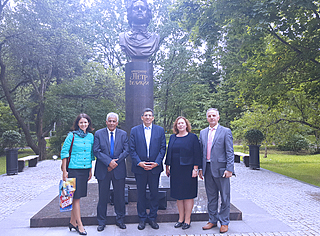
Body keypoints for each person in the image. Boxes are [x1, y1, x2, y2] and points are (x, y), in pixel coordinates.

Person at [129, 108, 166, 230]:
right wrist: (139, 163)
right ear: (142, 117)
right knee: (141, 194)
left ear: (153, 118)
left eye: (150, 115)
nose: (148, 117)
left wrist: (157, 162)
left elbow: (162, 148)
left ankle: (152, 218)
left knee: (154, 194)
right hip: (140, 168)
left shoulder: (160, 130)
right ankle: (142, 219)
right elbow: (132, 149)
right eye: (146, 115)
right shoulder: (135, 131)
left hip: (155, 168)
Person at [199, 108, 234, 233]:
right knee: (211, 197)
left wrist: (229, 169)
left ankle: (224, 222)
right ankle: (212, 220)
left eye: (214, 115)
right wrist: (201, 168)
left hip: (222, 170)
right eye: (209, 116)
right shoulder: (203, 133)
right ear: (207, 118)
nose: (212, 117)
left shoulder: (225, 131)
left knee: (225, 197)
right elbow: (201, 152)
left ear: (218, 117)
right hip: (207, 169)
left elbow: (230, 151)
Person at [93, 112, 129, 231]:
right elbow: (96, 151)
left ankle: (120, 219)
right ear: (106, 122)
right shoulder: (98, 133)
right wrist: (109, 162)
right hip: (103, 169)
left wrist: (115, 163)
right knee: (103, 196)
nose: (112, 123)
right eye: (110, 121)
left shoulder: (123, 134)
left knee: (119, 197)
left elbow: (126, 150)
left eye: (114, 121)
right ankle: (101, 221)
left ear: (117, 123)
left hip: (118, 169)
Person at [61, 113, 95, 235]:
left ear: (89, 123)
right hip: (73, 169)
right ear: (77, 124)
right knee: (75, 198)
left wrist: (90, 170)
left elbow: (91, 154)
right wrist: (64, 171)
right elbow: (64, 153)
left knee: (77, 197)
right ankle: (80, 225)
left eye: (85, 122)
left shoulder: (90, 136)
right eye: (81, 122)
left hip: (85, 170)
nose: (83, 124)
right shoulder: (72, 136)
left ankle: (72, 222)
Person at [165, 116, 201, 230]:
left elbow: (197, 154)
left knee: (188, 195)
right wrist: (167, 167)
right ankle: (180, 219)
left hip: (188, 170)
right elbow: (169, 152)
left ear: (186, 125)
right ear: (176, 126)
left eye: (182, 123)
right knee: (178, 195)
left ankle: (187, 220)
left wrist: (195, 169)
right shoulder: (172, 137)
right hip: (176, 170)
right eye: (178, 123)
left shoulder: (193, 137)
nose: (180, 125)